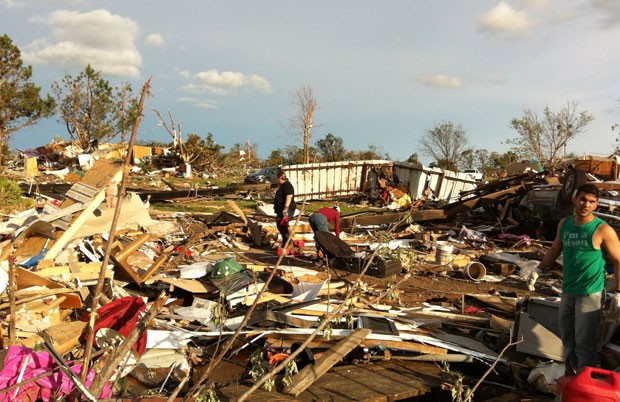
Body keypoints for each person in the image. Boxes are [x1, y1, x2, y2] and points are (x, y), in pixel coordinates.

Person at [538, 183, 620, 373]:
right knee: (567, 341)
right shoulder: (565, 224)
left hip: (589, 294)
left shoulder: (602, 229)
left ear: (596, 205)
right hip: (567, 290)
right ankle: (569, 379)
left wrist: (618, 291)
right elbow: (554, 249)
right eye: (583, 199)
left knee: (585, 345)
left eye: (591, 202)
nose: (586, 204)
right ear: (575, 199)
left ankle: (584, 385)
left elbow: (618, 259)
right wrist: (538, 270)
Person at [274, 169, 296, 248]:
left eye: (277, 179)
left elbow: (289, 196)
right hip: (281, 209)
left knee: (282, 225)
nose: (277, 180)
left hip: (287, 209)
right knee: (281, 226)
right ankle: (285, 242)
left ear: (280, 178)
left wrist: (286, 208)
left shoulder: (287, 185)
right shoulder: (283, 186)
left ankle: (288, 242)